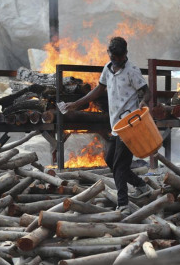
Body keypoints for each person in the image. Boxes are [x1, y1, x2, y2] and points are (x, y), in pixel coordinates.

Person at [65, 36, 151, 211]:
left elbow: (146, 91)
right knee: (110, 160)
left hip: (129, 125)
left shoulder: (132, 71)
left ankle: (123, 204)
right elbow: (99, 89)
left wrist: (143, 102)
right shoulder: (107, 69)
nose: (118, 61)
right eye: (115, 57)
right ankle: (141, 186)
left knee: (120, 165)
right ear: (109, 54)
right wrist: (76, 104)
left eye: (121, 57)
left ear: (125, 54)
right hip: (115, 125)